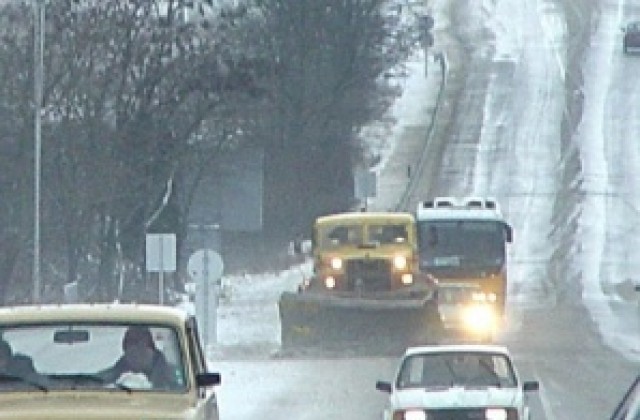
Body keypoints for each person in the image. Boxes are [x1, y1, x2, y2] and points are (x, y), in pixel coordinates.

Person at [98, 326, 179, 390]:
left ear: (151, 349)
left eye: (142, 346)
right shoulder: (110, 378)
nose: (137, 353)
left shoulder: (175, 378)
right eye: (132, 347)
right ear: (125, 351)